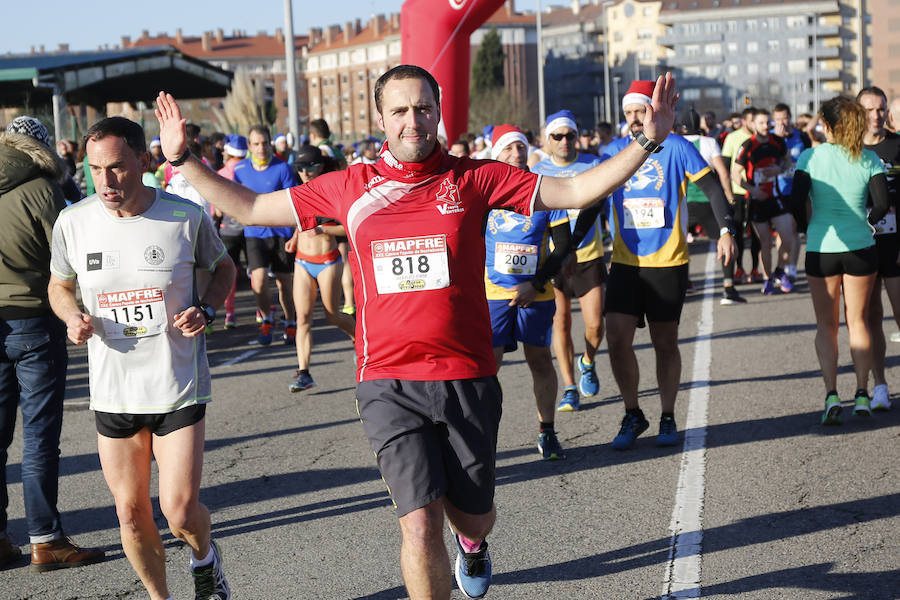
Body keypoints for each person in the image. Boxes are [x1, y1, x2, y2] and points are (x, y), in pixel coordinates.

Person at [155, 65, 679, 600]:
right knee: (418, 523)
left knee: (473, 518)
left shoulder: (475, 178)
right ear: (381, 117)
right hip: (387, 379)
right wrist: (182, 161)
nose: (414, 121)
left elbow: (574, 190)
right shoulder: (349, 187)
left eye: (424, 108)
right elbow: (247, 206)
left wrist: (644, 142)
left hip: (467, 372)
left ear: (438, 111)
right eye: (401, 110)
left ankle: (473, 545)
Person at [47, 116, 235, 599]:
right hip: (113, 388)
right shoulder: (73, 221)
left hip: (176, 383)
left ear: (145, 162)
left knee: (178, 511)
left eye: (116, 168)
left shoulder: (183, 217)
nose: (105, 182)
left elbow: (223, 268)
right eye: (94, 169)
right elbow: (59, 285)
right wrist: (71, 316)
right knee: (130, 514)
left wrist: (207, 309)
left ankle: (204, 559)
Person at [603, 80, 734, 450]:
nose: (633, 119)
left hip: (667, 262)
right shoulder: (614, 150)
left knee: (665, 343)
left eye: (639, 112)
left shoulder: (676, 146)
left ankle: (667, 414)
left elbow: (711, 189)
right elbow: (594, 198)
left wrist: (726, 230)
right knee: (616, 340)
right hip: (626, 262)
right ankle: (633, 412)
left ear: (654, 111)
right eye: (628, 113)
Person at [0, 117, 105, 571]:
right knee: (39, 438)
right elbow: (69, 256)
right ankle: (46, 538)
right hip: (33, 322)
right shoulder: (44, 189)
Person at [790, 96, 889, 424]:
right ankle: (862, 392)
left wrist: (808, 228)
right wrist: (869, 223)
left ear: (828, 126)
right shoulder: (870, 158)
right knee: (858, 322)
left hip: (822, 248)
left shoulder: (810, 156)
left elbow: (795, 201)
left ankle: (832, 393)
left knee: (826, 326)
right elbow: (882, 204)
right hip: (861, 246)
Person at [484, 124, 572, 459]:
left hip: (536, 293)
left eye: (520, 147)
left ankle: (547, 431)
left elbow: (563, 246)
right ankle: (483, 437)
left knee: (539, 360)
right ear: (496, 155)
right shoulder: (485, 192)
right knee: (488, 366)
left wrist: (534, 284)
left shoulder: (545, 190)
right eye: (507, 148)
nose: (516, 154)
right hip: (493, 294)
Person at [532, 110, 606, 411]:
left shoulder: (594, 164)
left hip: (589, 255)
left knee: (595, 324)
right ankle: (569, 386)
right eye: (557, 136)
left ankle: (587, 361)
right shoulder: (538, 172)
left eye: (570, 135)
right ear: (547, 140)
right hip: (554, 260)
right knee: (560, 323)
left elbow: (607, 206)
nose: (564, 141)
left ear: (578, 136)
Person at [285, 145, 356, 392]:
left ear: (321, 166)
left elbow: (347, 228)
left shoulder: (332, 190)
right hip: (302, 261)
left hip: (327, 260)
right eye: (301, 169)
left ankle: (362, 341)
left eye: (310, 168)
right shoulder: (298, 190)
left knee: (332, 315)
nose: (305, 173)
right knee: (302, 318)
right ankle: (303, 372)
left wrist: (323, 229)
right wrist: (295, 237)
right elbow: (300, 219)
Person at [233, 124, 297, 345]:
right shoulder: (240, 170)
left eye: (264, 143)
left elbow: (294, 204)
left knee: (284, 284)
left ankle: (290, 322)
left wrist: (296, 234)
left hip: (281, 234)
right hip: (254, 234)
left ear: (270, 144)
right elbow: (236, 200)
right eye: (256, 144)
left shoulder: (283, 169)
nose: (261, 148)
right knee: (258, 282)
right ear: (249, 146)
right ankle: (267, 319)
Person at [857, 86, 900, 411]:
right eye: (869, 110)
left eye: (881, 109)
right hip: (863, 242)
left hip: (896, 242)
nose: (876, 115)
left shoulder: (897, 145)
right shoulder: (851, 149)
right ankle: (880, 385)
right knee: (871, 315)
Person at [677, 107, 746, 305]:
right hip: (709, 202)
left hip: (683, 203)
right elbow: (722, 173)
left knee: (680, 245)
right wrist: (729, 196)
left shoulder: (674, 143)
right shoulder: (708, 142)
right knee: (726, 239)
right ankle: (728, 287)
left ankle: (686, 283)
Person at [732, 108, 796, 295]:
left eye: (768, 122)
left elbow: (787, 161)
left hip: (775, 197)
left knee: (788, 237)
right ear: (753, 125)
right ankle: (768, 279)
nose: (765, 126)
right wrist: (753, 190)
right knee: (765, 243)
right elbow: (735, 174)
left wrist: (779, 169)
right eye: (761, 123)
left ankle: (779, 270)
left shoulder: (778, 141)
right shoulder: (747, 146)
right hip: (757, 201)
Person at [722, 107, 761, 282]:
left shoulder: (761, 139)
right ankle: (739, 269)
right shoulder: (732, 137)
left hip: (757, 192)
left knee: (757, 233)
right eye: (752, 120)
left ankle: (755, 269)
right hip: (737, 193)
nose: (755, 124)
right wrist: (728, 193)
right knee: (737, 232)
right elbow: (725, 166)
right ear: (745, 121)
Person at [772, 103, 810, 284]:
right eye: (778, 120)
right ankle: (782, 267)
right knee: (782, 232)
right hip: (778, 191)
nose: (782, 123)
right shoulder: (771, 139)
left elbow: (811, 158)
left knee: (794, 229)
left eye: (785, 118)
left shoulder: (801, 137)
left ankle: (791, 268)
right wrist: (777, 141)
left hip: (798, 191)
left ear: (790, 118)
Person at [216, 134, 250, 329]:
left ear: (229, 151)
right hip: (253, 226)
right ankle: (263, 311)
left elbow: (217, 210)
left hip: (228, 228)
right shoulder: (251, 170)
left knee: (230, 271)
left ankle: (230, 314)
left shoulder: (221, 173)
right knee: (256, 270)